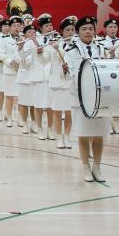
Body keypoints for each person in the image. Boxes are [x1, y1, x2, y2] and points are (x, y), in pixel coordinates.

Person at [63, 16, 109, 182]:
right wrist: (65, 71)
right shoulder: (71, 51)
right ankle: (85, 167)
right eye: (84, 29)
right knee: (83, 133)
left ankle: (97, 166)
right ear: (78, 32)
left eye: (90, 29)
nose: (88, 32)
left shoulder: (102, 49)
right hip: (80, 98)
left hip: (99, 98)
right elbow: (69, 76)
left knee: (98, 134)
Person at [48, 18, 76, 149]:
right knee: (58, 111)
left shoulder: (77, 45)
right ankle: (59, 137)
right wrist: (54, 49)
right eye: (67, 30)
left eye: (72, 30)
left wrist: (69, 68)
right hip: (58, 83)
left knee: (70, 112)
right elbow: (48, 61)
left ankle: (67, 137)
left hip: (72, 83)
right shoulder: (54, 45)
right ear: (61, 32)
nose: (70, 32)